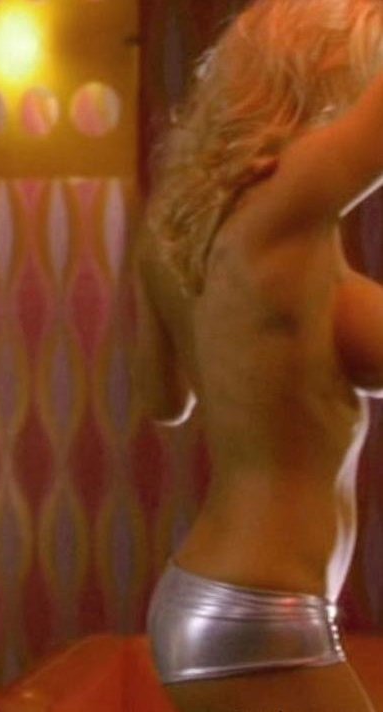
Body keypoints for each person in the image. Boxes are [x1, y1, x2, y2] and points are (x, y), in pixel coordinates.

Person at [134, 0, 383, 710]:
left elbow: (166, 400)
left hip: (209, 596)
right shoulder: (286, 204)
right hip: (262, 611)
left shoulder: (171, 233)